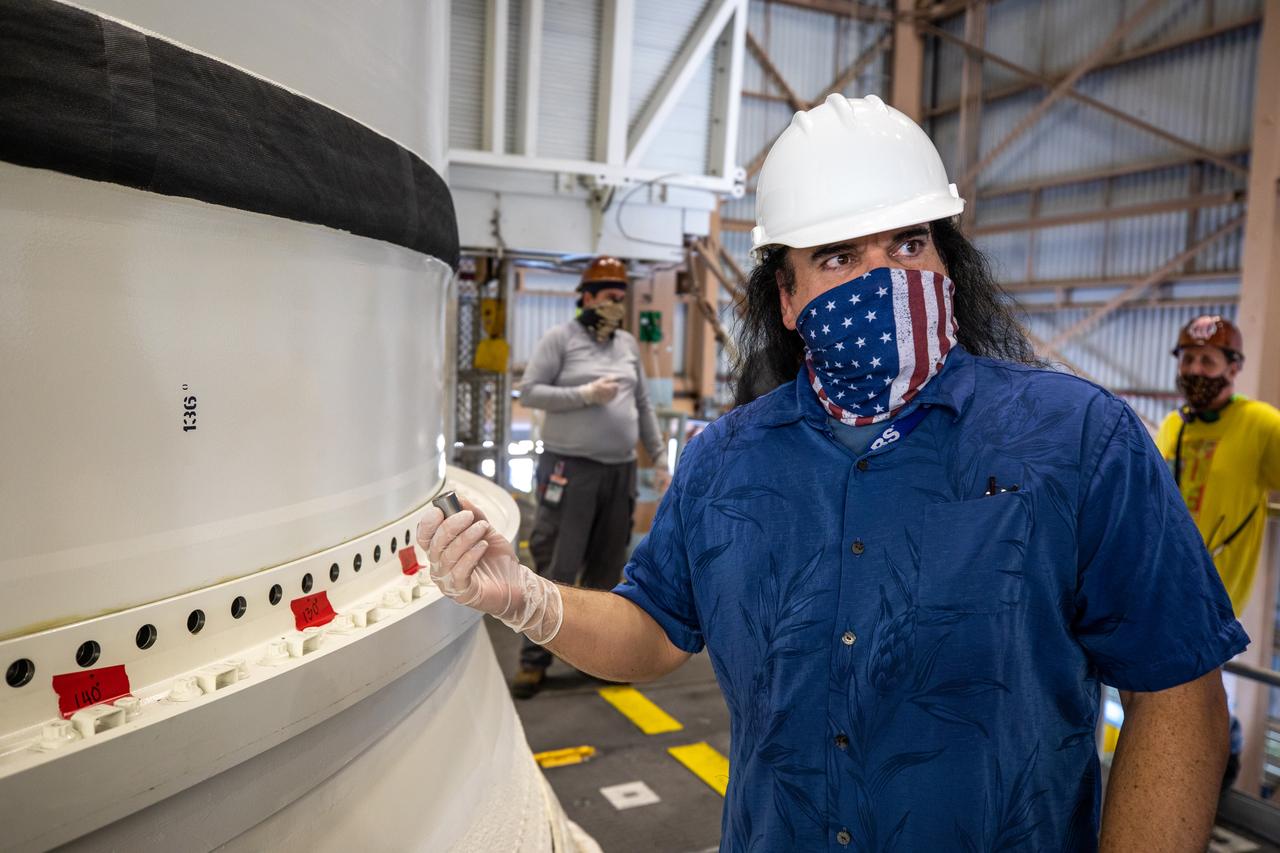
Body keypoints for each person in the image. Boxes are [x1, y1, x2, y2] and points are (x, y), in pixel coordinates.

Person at [422, 95, 1246, 850]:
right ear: (787, 297)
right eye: (840, 256)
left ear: (948, 262)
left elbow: (1177, 691)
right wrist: (524, 596)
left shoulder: (1077, 438)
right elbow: (656, 629)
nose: (884, 278)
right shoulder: (725, 461)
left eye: (910, 242)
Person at [510, 255, 670, 699]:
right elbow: (529, 391)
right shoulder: (559, 340)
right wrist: (585, 394)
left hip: (618, 471)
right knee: (559, 563)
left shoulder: (626, 346)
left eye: (621, 299)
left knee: (607, 567)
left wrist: (658, 459)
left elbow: (641, 405)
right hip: (570, 469)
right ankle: (533, 659)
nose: (615, 306)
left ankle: (602, 658)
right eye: (607, 298)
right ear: (585, 298)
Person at [1155, 316, 1280, 616]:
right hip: (1160, 583)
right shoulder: (1174, 424)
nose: (1195, 369)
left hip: (1214, 597)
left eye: (1207, 361)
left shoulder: (1261, 424)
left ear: (1233, 368)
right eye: (1188, 360)